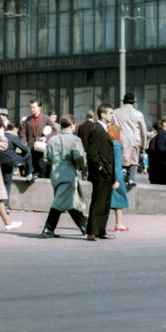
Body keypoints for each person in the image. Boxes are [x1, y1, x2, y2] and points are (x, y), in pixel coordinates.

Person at [41, 114, 88, 237]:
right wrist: (81, 165)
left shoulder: (52, 139)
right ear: (72, 125)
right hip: (68, 172)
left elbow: (46, 158)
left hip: (55, 172)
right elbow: (79, 158)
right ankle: (48, 228)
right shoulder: (75, 140)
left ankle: (84, 226)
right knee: (61, 201)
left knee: (68, 200)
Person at [84, 103, 117, 241]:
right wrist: (101, 168)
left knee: (105, 202)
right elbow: (92, 154)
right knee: (98, 201)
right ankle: (92, 231)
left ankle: (101, 230)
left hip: (107, 172)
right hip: (101, 173)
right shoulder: (97, 130)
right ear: (102, 114)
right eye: (110, 113)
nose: (112, 115)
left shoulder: (103, 129)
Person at [113, 93, 149, 187]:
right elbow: (143, 130)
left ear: (123, 102)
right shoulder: (138, 114)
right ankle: (131, 179)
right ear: (134, 103)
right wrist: (143, 144)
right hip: (134, 140)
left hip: (119, 139)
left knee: (120, 158)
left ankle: (122, 172)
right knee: (133, 160)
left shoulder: (115, 112)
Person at [0, 115, 30, 207]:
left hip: (0, 161)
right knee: (8, 182)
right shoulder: (13, 137)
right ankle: (4, 203)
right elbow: (25, 148)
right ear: (15, 129)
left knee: (3, 181)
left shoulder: (1, 136)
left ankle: (1, 203)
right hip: (10, 161)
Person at [20, 99, 52, 180]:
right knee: (31, 171)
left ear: (39, 107)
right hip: (31, 149)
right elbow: (23, 134)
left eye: (33, 107)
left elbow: (55, 130)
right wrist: (22, 145)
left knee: (42, 171)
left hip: (42, 149)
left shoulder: (46, 119)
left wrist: (46, 137)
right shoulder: (27, 120)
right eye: (31, 107)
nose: (31, 109)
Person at [109, 128, 129, 231]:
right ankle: (118, 223)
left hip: (107, 175)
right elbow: (117, 163)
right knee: (119, 200)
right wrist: (117, 179)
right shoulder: (116, 145)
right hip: (116, 176)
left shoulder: (106, 143)